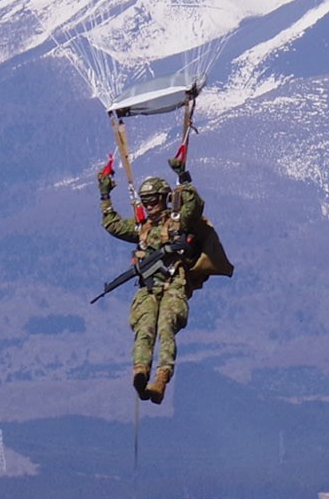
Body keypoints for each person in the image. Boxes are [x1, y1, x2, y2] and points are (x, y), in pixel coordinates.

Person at [97, 154, 230, 401]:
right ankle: (140, 371)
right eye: (145, 201)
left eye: (153, 200)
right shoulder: (141, 229)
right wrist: (105, 195)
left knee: (166, 326)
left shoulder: (179, 223)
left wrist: (184, 177)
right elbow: (112, 225)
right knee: (144, 326)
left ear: (164, 199)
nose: (149, 205)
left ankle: (161, 378)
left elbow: (195, 205)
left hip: (173, 285)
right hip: (149, 288)